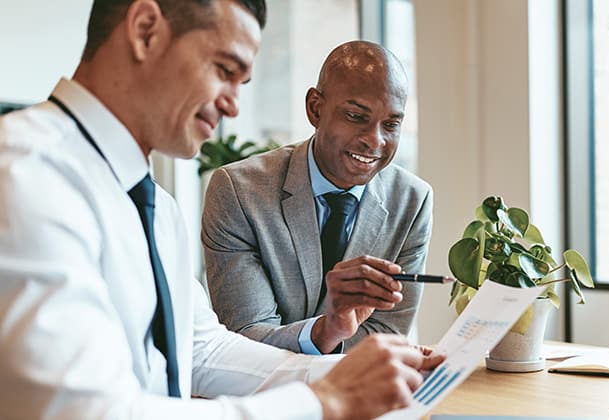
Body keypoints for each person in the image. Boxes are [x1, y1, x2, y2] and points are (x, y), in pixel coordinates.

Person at [0, 1, 442, 419]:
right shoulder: (25, 174)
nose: (232, 103)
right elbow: (84, 412)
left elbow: (202, 350)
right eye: (224, 70)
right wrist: (322, 401)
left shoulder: (156, 207)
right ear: (145, 31)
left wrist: (360, 373)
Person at [202, 40, 433, 355]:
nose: (374, 141)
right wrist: (329, 329)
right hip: (262, 396)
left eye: (391, 125)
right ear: (315, 108)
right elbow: (246, 337)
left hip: (359, 396)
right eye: (356, 116)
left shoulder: (412, 202)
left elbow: (385, 336)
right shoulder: (238, 191)